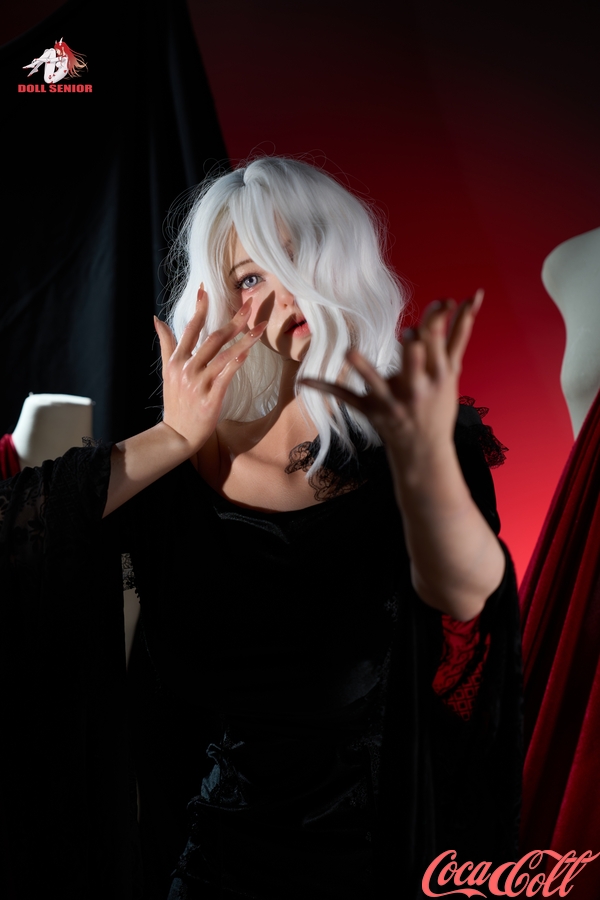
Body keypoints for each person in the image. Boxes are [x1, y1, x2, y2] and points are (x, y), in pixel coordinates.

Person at [0, 157, 521, 900]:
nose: (281, 292)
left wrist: (427, 465)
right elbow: (20, 542)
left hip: (387, 858)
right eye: (249, 277)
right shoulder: (175, 483)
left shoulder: (424, 443)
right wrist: (173, 439)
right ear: (217, 304)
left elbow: (472, 610)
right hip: (219, 862)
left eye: (296, 255)